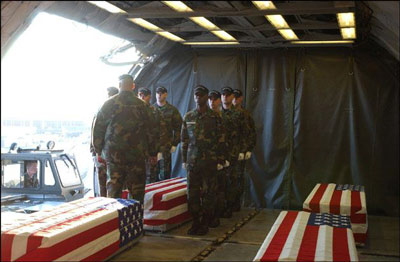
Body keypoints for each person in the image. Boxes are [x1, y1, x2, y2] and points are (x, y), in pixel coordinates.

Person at [92, 74, 157, 203]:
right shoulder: (144, 106)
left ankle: (115, 221)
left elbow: (98, 129)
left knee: (114, 193)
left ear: (119, 85)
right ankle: (136, 220)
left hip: (114, 157)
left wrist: (99, 151)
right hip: (137, 157)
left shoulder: (108, 104)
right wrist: (153, 153)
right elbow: (152, 131)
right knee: (137, 193)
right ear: (133, 86)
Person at [181, 85, 225, 235]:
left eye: (201, 95)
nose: (198, 98)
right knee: (192, 194)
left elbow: (221, 139)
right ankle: (195, 222)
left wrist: (220, 159)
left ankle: (205, 222)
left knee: (209, 193)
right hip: (193, 161)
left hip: (209, 161)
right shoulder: (189, 117)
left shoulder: (215, 117)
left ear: (207, 97)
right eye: (196, 95)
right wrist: (184, 160)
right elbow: (184, 140)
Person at [220, 86, 246, 217]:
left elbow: (245, 133)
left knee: (232, 181)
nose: (225, 97)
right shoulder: (216, 114)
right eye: (223, 94)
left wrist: (244, 150)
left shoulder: (239, 114)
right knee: (220, 182)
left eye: (228, 95)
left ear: (232, 97)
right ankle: (221, 207)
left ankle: (230, 207)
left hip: (234, 154)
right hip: (219, 154)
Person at [90, 86, 119, 197]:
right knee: (103, 183)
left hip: (110, 154)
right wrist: (94, 151)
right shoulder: (102, 110)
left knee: (112, 184)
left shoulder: (111, 112)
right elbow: (94, 131)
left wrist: (96, 150)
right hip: (101, 153)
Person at [208, 90, 230, 226]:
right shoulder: (205, 116)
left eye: (214, 99)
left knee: (219, 187)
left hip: (221, 158)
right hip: (208, 158)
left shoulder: (224, 117)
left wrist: (223, 159)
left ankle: (217, 214)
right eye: (210, 99)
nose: (212, 102)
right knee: (209, 189)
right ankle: (209, 216)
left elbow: (227, 139)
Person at [233, 89, 257, 210]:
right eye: (233, 97)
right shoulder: (224, 113)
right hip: (227, 153)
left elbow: (251, 133)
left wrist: (248, 149)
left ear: (241, 98)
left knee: (238, 177)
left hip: (240, 152)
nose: (234, 100)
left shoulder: (245, 114)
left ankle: (236, 204)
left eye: (237, 97)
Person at [152, 86, 183, 181]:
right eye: (157, 93)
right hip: (152, 149)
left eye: (161, 93)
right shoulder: (151, 109)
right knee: (152, 176)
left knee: (165, 175)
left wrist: (174, 143)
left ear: (166, 94)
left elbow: (179, 127)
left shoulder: (172, 110)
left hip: (165, 148)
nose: (159, 95)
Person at [138, 87, 162, 184]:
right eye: (140, 95)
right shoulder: (132, 110)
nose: (142, 97)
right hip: (136, 150)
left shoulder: (154, 111)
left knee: (151, 178)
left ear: (149, 97)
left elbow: (157, 131)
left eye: (144, 95)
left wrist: (156, 151)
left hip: (150, 149)